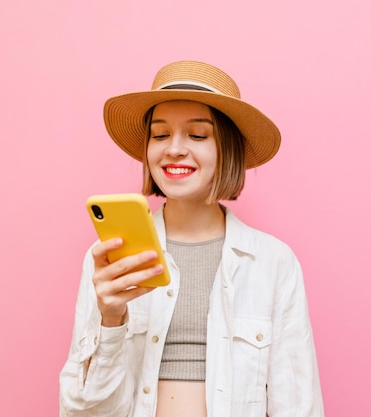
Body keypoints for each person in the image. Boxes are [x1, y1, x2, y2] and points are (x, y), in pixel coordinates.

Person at [59, 60, 324, 417]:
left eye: (197, 135)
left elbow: (297, 404)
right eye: (160, 134)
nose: (174, 149)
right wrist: (110, 319)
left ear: (226, 149)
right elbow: (81, 411)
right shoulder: (110, 257)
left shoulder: (274, 262)